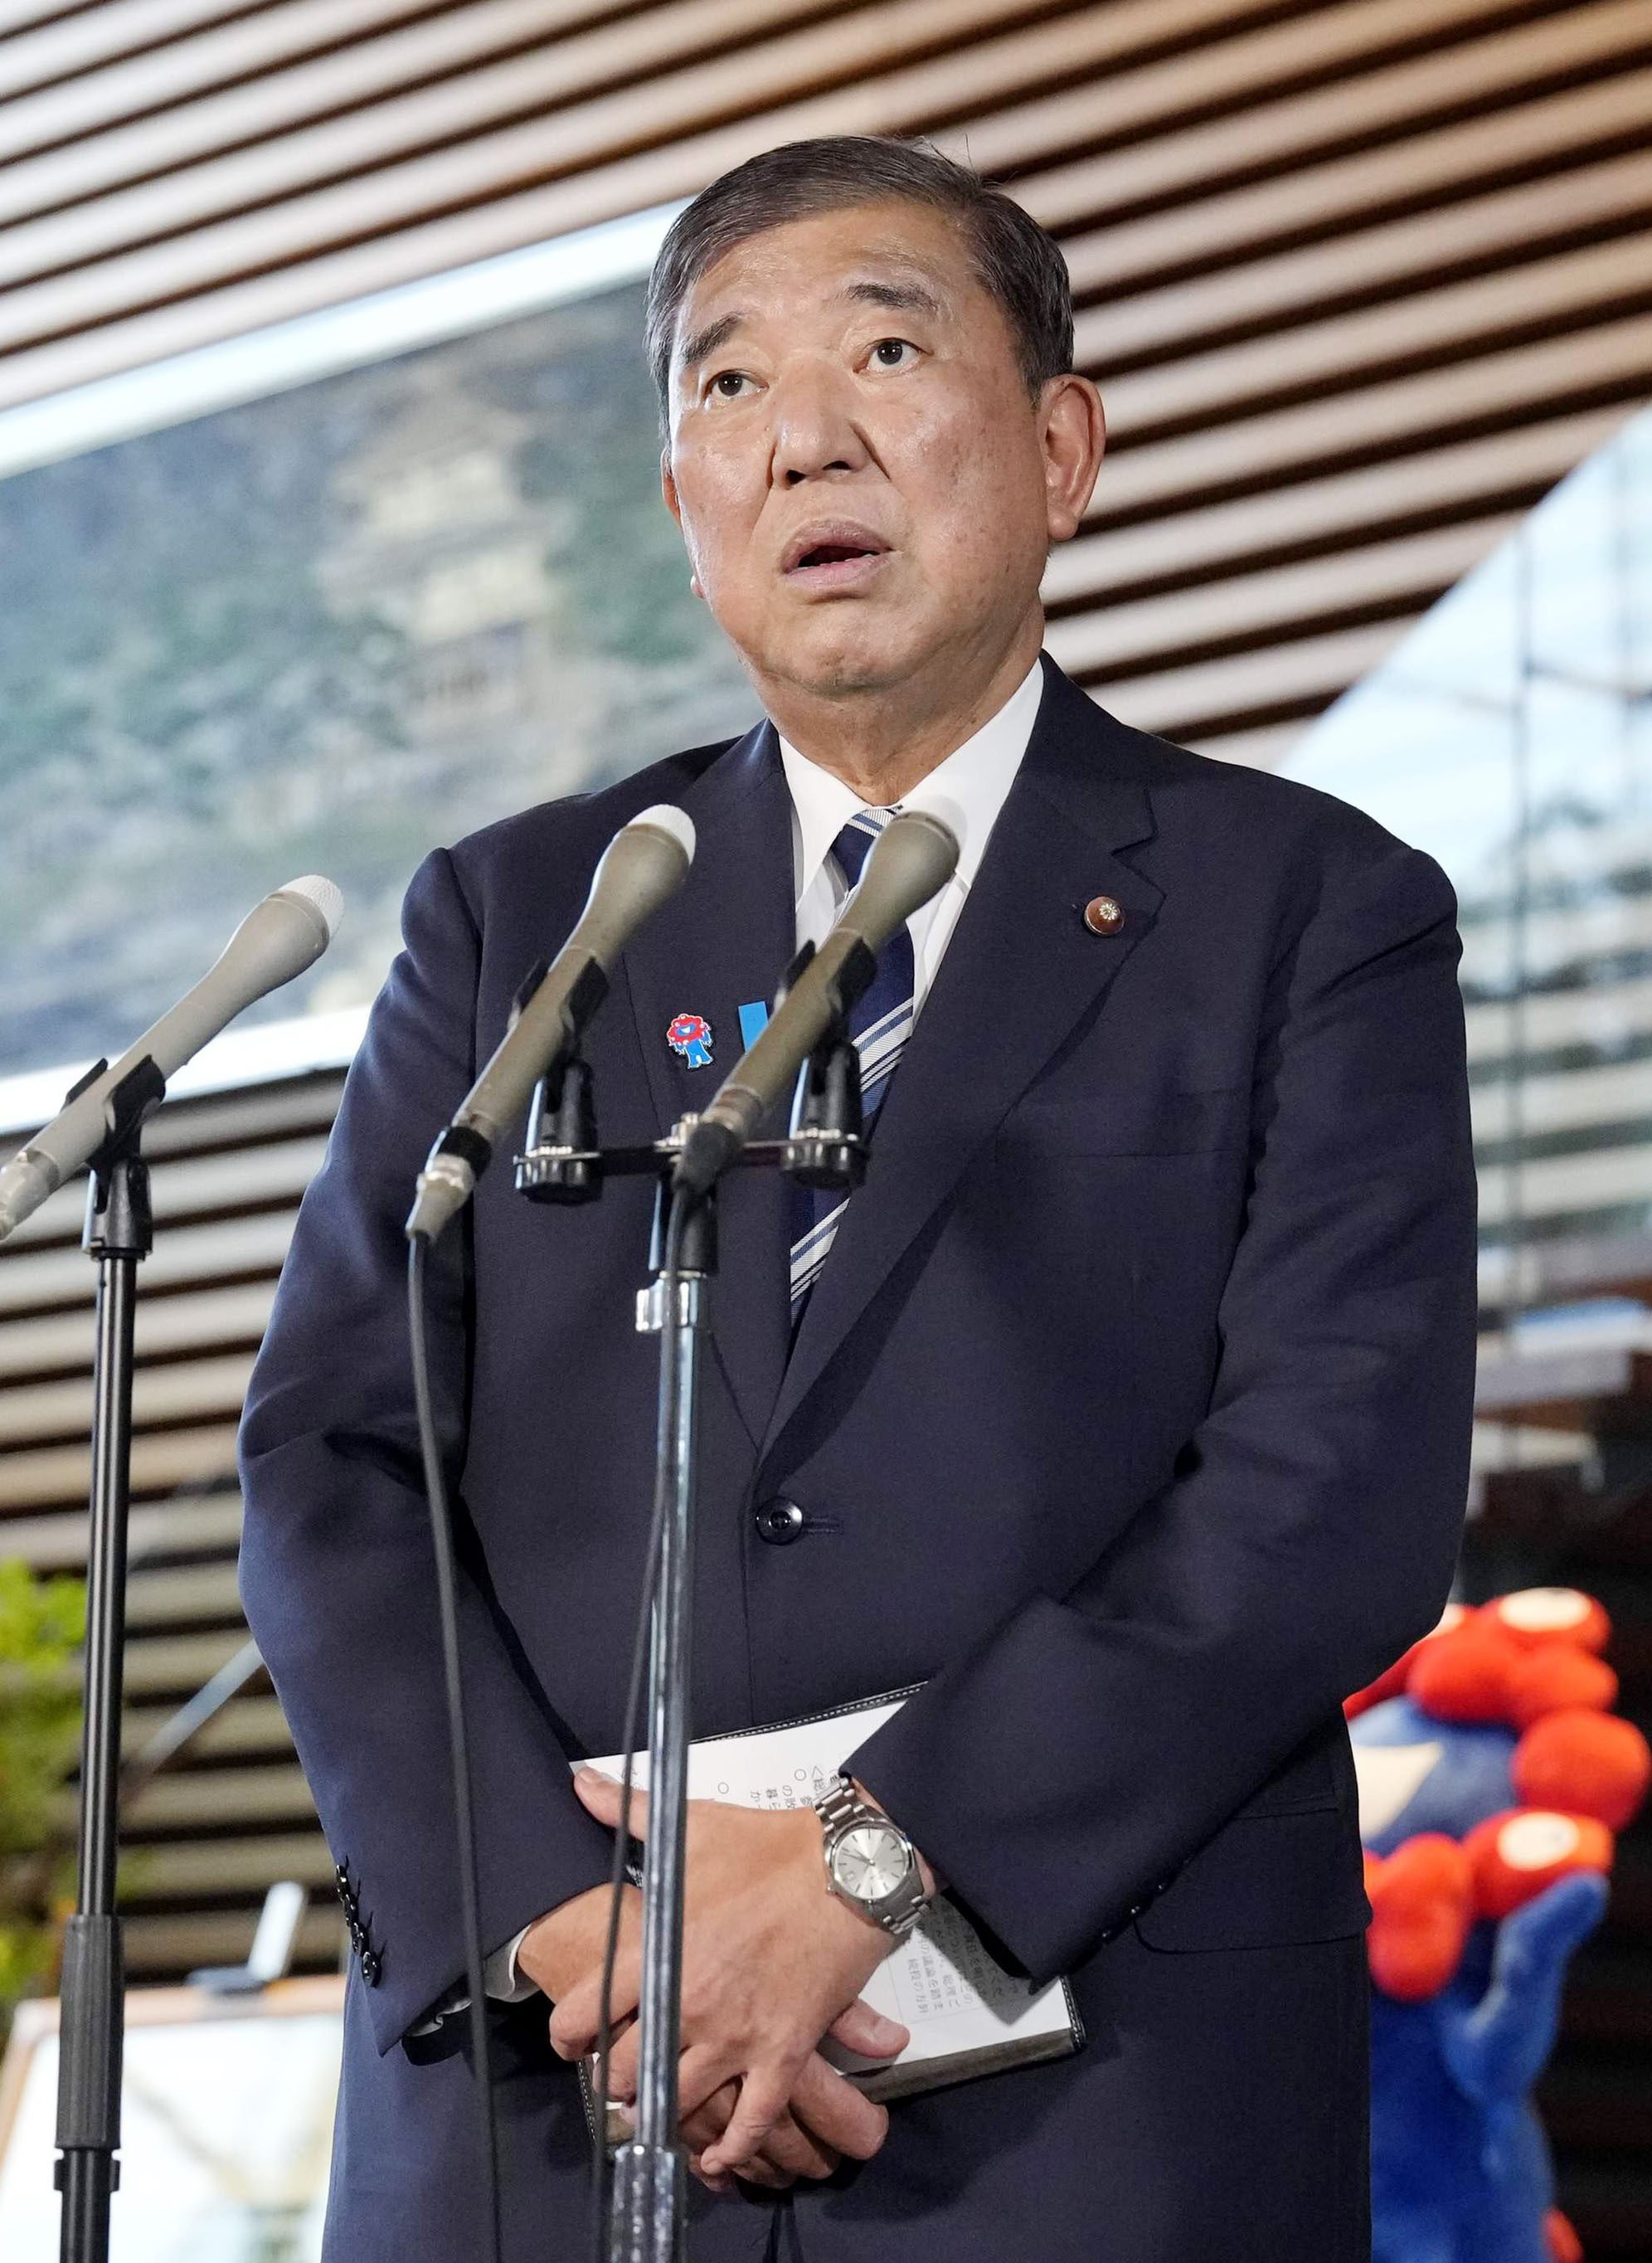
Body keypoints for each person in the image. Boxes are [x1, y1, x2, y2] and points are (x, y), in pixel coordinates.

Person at [238, 136, 1478, 2262]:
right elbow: (340, 1462)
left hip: (1085, 2105)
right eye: (725, 387)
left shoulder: (1308, 910)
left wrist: (871, 1877)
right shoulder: (529, 913)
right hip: (561, 2093)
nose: (801, 429)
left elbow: (1328, 1489)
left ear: (1062, 450)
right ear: (682, 513)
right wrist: (566, 1927)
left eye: (886, 348)